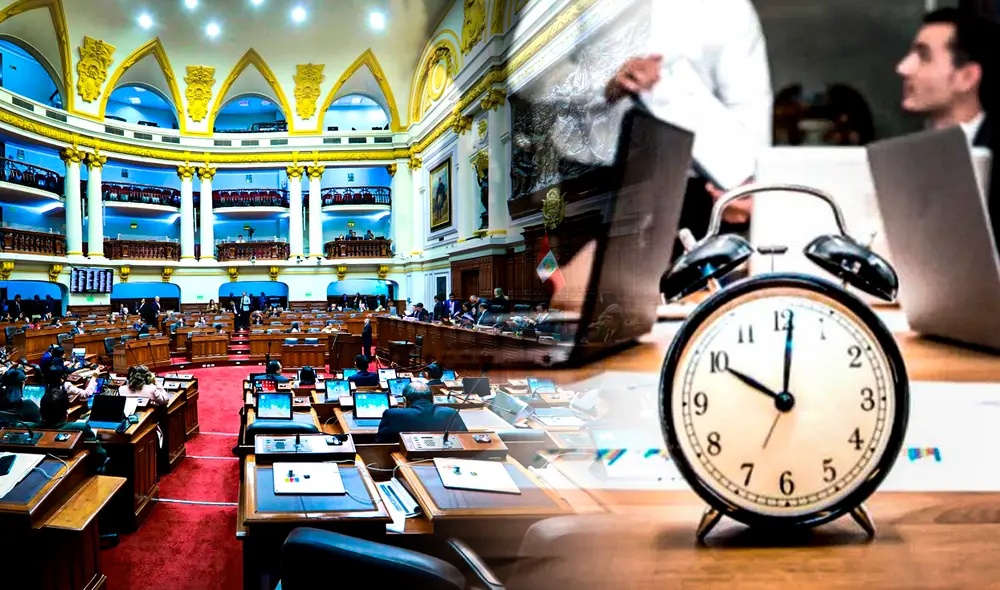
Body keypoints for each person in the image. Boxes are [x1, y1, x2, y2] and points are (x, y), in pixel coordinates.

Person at [897, 8, 998, 243]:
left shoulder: (994, 158)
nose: (903, 68)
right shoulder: (905, 157)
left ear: (967, 77)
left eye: (924, 56)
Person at [375, 382, 466, 443]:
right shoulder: (450, 413)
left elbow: (380, 444)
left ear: (405, 400)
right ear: (432, 399)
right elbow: (466, 441)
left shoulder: (392, 415)